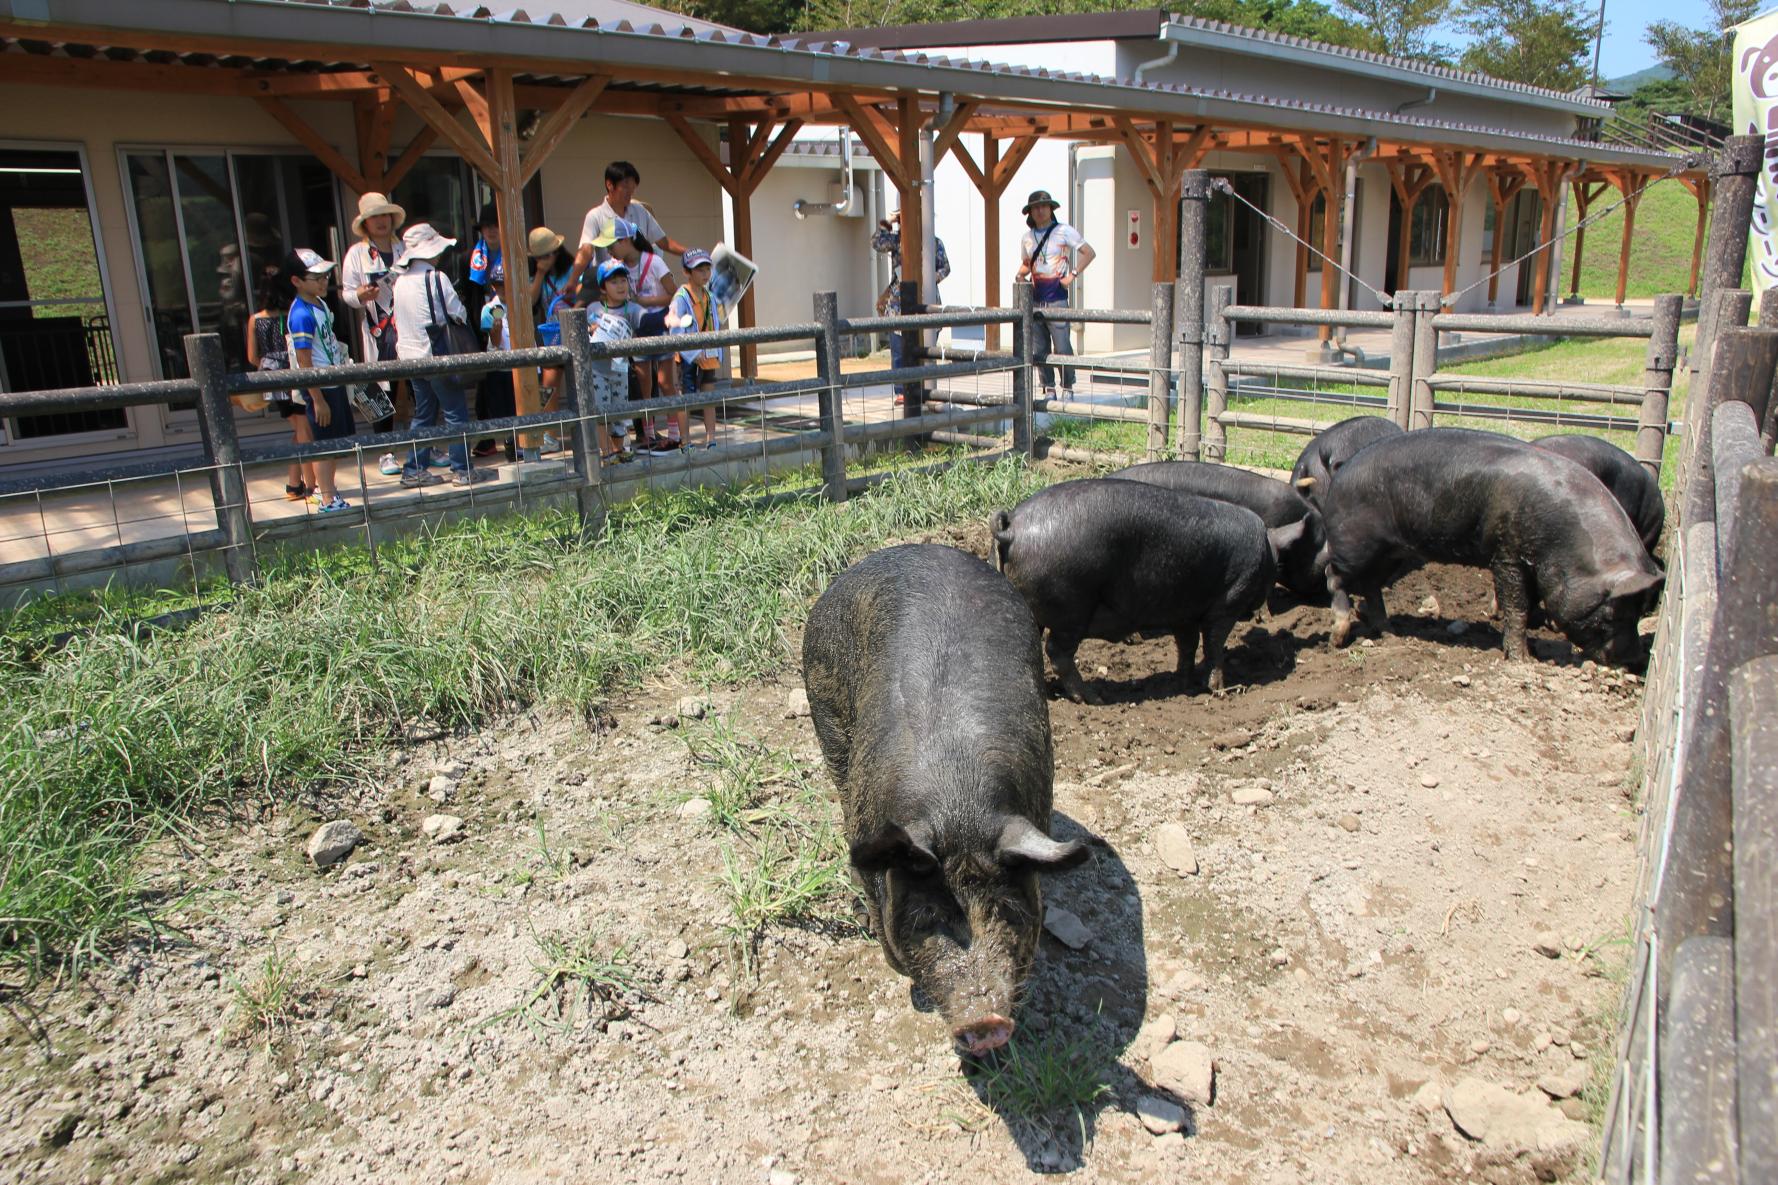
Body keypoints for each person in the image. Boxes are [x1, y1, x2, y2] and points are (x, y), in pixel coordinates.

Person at [391, 222, 496, 489]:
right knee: (455, 413)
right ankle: (461, 470)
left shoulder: (400, 282)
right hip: (437, 354)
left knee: (423, 414)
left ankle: (414, 468)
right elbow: (456, 313)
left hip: (410, 358)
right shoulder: (436, 278)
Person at [282, 249, 355, 514]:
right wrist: (317, 399)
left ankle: (329, 493)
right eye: (315, 277)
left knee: (334, 445)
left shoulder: (320, 304)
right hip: (321, 388)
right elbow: (304, 362)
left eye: (324, 275)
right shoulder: (301, 313)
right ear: (296, 281)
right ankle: (325, 498)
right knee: (324, 446)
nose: (323, 281)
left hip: (333, 382)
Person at [340, 191, 406, 473]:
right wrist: (361, 294)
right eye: (374, 217)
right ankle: (385, 451)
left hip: (407, 327)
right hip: (377, 331)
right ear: (365, 224)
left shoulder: (404, 247)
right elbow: (346, 293)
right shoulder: (356, 254)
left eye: (384, 215)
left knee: (418, 386)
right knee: (379, 390)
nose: (380, 221)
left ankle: (425, 444)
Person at [607, 222, 680, 453]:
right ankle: (648, 434)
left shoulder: (654, 261)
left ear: (625, 241)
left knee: (666, 382)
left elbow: (673, 293)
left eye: (612, 245)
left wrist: (645, 302)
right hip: (636, 327)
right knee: (643, 383)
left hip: (660, 324)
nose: (610, 251)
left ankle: (675, 433)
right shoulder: (617, 267)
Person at [245, 270, 317, 501]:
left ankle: (294, 484)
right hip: (295, 373)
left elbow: (252, 357)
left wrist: (269, 364)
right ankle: (310, 486)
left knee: (299, 428)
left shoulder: (255, 319)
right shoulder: (292, 315)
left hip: (272, 378)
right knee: (304, 428)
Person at [1015, 189, 1095, 399]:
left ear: (1051, 208)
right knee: (1039, 347)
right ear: (1030, 213)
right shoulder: (1027, 238)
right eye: (1035, 208)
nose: (1040, 211)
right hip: (1035, 298)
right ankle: (1048, 387)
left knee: (1062, 346)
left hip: (1057, 297)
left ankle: (1068, 386)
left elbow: (1089, 252)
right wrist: (1020, 276)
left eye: (1043, 206)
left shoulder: (1063, 231)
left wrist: (1072, 275)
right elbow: (1027, 263)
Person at [571, 161, 687, 295]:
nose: (630, 192)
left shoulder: (640, 211)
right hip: (611, 288)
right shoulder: (596, 216)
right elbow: (586, 251)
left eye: (632, 188)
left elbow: (664, 242)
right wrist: (573, 280)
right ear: (610, 185)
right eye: (625, 187)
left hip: (643, 288)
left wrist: (692, 253)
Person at [871, 211, 950, 404]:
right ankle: (902, 390)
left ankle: (924, 388)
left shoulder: (934, 242)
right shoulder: (897, 241)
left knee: (925, 348)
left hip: (927, 299)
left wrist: (927, 279)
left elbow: (945, 268)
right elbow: (876, 242)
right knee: (899, 350)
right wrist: (887, 222)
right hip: (898, 302)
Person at [575, 258, 647, 463]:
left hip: (621, 369)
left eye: (623, 280)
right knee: (600, 409)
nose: (620, 285)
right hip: (597, 370)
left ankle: (619, 449)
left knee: (618, 410)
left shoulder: (632, 309)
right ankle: (606, 451)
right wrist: (590, 329)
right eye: (614, 282)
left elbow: (647, 320)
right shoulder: (593, 309)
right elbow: (580, 331)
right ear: (603, 288)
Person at [530, 226, 577, 456]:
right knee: (547, 386)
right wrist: (539, 273)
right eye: (539, 256)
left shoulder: (572, 269)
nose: (545, 260)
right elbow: (530, 301)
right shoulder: (536, 273)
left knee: (581, 385)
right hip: (551, 335)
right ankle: (550, 435)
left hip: (576, 333)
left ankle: (589, 432)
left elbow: (584, 296)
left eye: (548, 254)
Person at [668, 248, 722, 449]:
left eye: (707, 268)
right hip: (687, 357)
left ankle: (711, 439)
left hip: (708, 353)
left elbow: (714, 321)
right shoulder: (681, 297)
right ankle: (686, 441)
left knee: (709, 395)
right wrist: (692, 353)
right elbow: (675, 330)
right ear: (686, 272)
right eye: (699, 269)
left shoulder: (710, 295)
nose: (705, 274)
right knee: (686, 398)